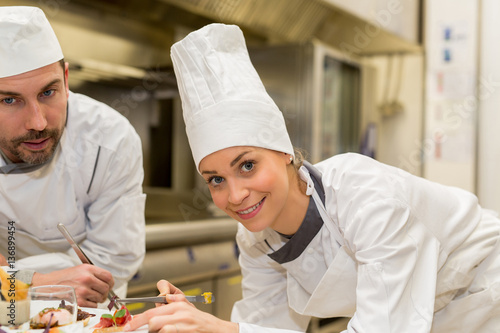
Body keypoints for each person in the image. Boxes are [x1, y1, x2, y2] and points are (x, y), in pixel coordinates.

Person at [125, 24, 500, 332]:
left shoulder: (365, 197)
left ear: (284, 151)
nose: (236, 195)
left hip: (486, 291)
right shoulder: (256, 238)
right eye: (215, 179)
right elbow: (266, 326)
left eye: (247, 165)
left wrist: (222, 329)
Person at [0, 6, 146, 307]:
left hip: (86, 311)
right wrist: (37, 284)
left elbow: (112, 262)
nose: (38, 123)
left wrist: (13, 279)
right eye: (10, 100)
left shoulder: (110, 141)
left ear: (66, 80)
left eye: (48, 93)